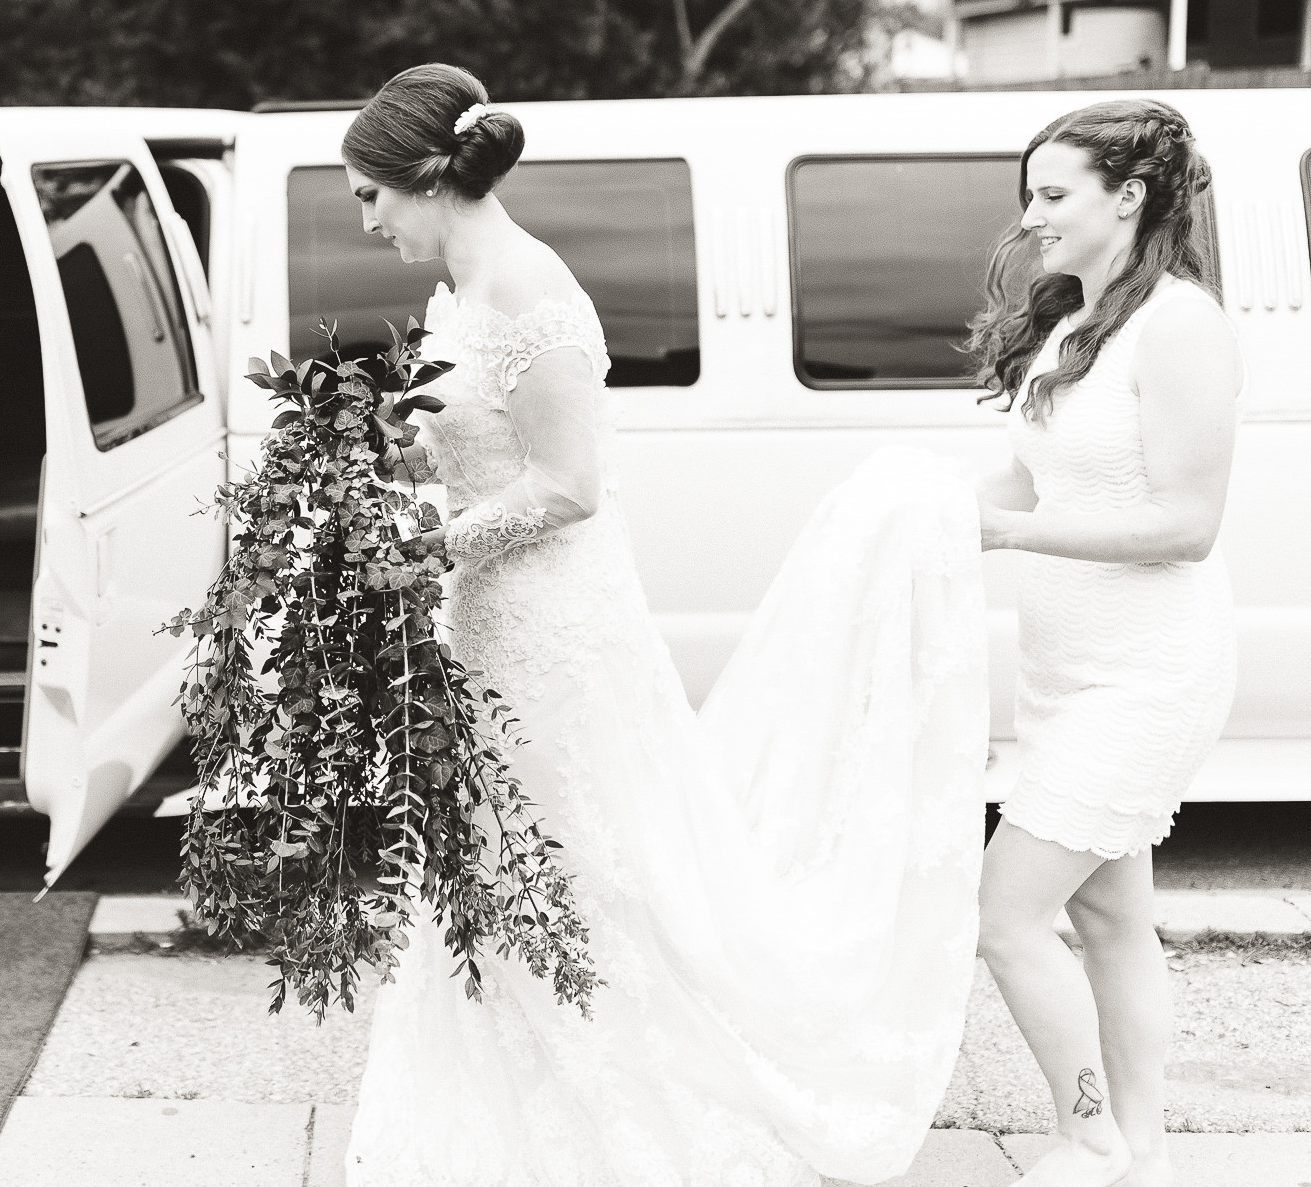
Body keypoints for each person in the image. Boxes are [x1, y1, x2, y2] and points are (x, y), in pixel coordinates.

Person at [339, 64, 991, 1186]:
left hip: (553, 629)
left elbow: (567, 484)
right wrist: (380, 468)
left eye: (369, 196)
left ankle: (623, 1117)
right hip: (486, 618)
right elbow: (474, 445)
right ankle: (507, 1108)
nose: (365, 222)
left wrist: (424, 548)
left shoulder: (528, 295)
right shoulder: (456, 293)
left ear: (427, 178)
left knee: (583, 865)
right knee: (494, 862)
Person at [969, 101, 1237, 1187]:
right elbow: (1026, 482)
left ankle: (1084, 1135)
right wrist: (911, 520)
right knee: (1112, 916)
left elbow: (1185, 526)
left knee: (1004, 917)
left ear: (1126, 198)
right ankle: (1143, 1147)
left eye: (1051, 194)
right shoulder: (1075, 325)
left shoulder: (1177, 324)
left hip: (1145, 673)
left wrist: (1006, 533)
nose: (1030, 218)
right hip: (1060, 676)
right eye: (1027, 196)